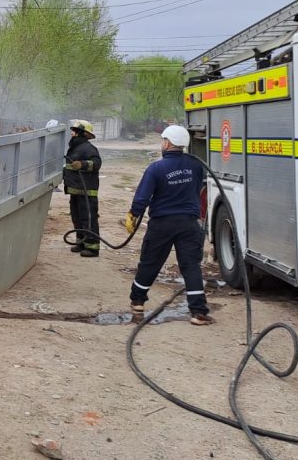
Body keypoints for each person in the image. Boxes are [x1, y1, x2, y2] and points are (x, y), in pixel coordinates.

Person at [123, 124, 214, 325]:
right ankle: (198, 311)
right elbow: (198, 188)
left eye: (163, 140)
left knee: (150, 262)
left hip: (162, 224)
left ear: (167, 143)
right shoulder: (196, 166)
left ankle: (138, 301)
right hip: (189, 224)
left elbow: (143, 197)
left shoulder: (156, 168)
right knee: (191, 266)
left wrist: (133, 214)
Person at [64, 119, 102, 257]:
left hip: (87, 191)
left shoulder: (89, 148)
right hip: (75, 190)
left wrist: (83, 164)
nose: (72, 134)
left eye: (75, 132)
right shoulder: (74, 148)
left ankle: (92, 248)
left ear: (82, 133)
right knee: (77, 218)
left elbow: (97, 163)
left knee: (88, 218)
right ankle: (81, 242)